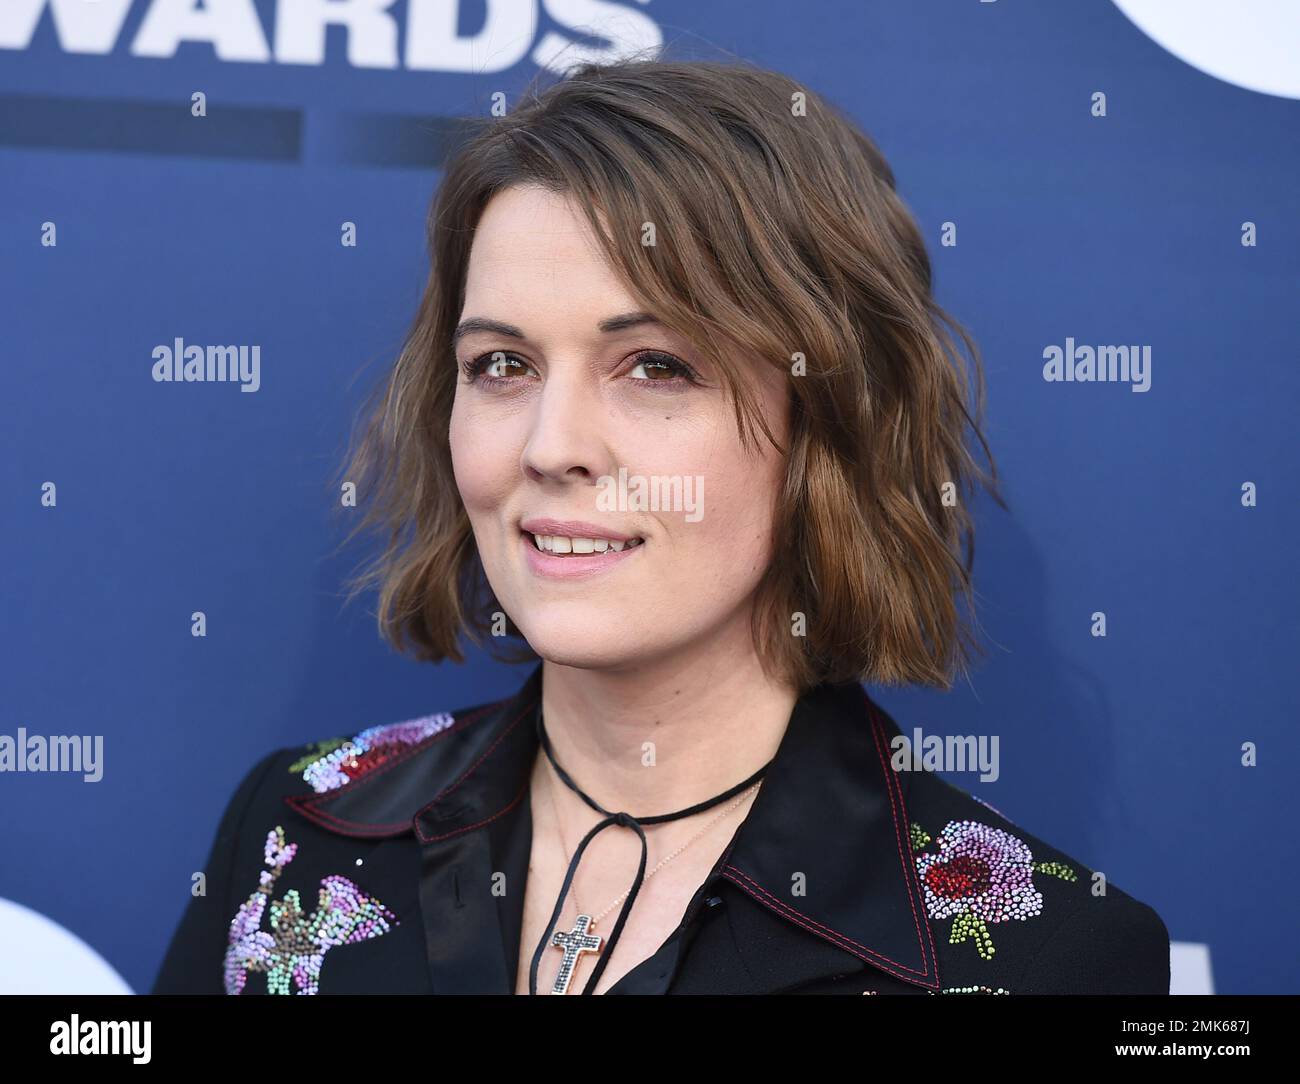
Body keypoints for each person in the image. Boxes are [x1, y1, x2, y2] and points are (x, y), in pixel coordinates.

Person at [153, 56, 1169, 996]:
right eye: (501, 365)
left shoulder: (1045, 956)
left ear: (830, 419)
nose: (552, 446)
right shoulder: (295, 829)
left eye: (656, 366)